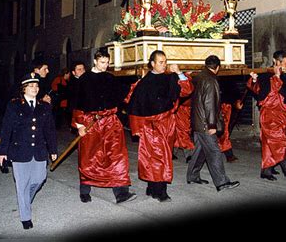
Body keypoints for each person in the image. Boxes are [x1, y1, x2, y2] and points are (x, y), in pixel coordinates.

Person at [126, 50, 194, 202]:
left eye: (165, 62)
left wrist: (180, 73)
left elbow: (187, 90)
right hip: (151, 127)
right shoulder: (143, 83)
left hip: (167, 124)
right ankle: (160, 190)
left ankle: (152, 187)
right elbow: (135, 106)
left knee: (163, 156)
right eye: (161, 62)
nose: (164, 65)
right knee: (156, 158)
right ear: (152, 64)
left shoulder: (170, 78)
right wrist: (138, 129)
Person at [72, 49, 136, 204]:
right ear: (95, 61)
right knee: (89, 157)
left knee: (117, 156)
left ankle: (121, 192)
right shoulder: (84, 79)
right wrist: (79, 125)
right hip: (90, 123)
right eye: (102, 62)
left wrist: (137, 85)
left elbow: (124, 94)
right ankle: (85, 190)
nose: (105, 65)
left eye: (107, 62)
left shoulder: (110, 78)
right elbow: (76, 104)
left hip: (111, 122)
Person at [0, 73, 57, 230]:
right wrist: (2, 152)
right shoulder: (14, 105)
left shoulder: (44, 106)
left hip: (39, 150)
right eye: (31, 86)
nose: (35, 88)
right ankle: (25, 216)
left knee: (40, 178)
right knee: (22, 185)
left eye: (36, 86)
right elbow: (6, 129)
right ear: (24, 88)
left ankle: (24, 201)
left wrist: (53, 149)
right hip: (19, 151)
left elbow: (50, 130)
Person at [247, 50, 286, 184]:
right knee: (279, 144)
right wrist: (255, 80)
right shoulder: (266, 76)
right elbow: (260, 93)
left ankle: (266, 171)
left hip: (283, 117)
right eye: (285, 63)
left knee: (270, 144)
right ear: (276, 62)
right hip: (269, 116)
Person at [187, 55, 240, 192]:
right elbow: (210, 104)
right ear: (217, 67)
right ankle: (221, 182)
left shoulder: (198, 77)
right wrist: (212, 125)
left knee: (200, 150)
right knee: (215, 152)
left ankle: (192, 175)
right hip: (205, 123)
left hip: (197, 122)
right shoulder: (211, 80)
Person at [66, 61, 86, 131]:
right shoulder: (73, 84)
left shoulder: (86, 81)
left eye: (83, 69)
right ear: (73, 72)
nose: (82, 71)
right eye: (79, 69)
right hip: (78, 113)